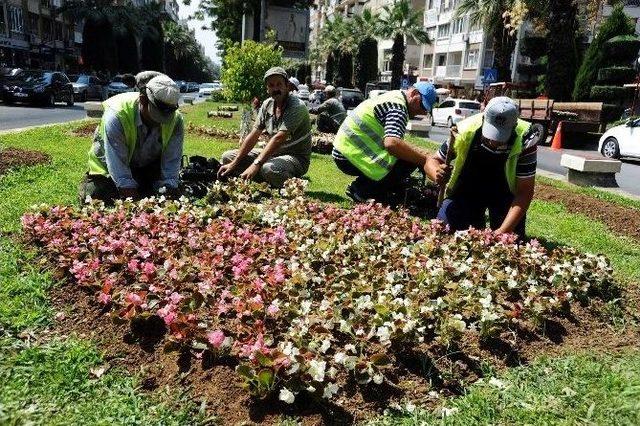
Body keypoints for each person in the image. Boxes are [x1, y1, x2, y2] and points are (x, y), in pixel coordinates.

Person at [424, 96, 539, 239]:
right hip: (467, 189)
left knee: (512, 240)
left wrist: (502, 231)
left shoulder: (526, 138)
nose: (493, 141)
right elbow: (432, 161)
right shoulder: (464, 130)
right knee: (445, 230)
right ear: (484, 119)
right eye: (490, 134)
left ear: (514, 126)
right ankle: (475, 218)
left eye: (500, 137)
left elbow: (524, 192)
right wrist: (437, 172)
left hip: (504, 195)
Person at [79, 72, 184, 203]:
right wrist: (133, 201)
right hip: (109, 168)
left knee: (168, 194)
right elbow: (117, 164)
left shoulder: (176, 120)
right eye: (156, 115)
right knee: (96, 196)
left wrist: (168, 191)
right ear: (143, 100)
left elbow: (171, 162)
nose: (160, 122)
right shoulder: (117, 115)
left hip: (145, 166)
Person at [332, 82, 437, 203]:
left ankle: (368, 188)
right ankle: (362, 191)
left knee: (408, 155)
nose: (422, 112)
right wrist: (425, 159)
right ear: (414, 93)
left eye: (426, 110)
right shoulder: (398, 108)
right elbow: (392, 144)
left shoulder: (395, 96)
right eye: (422, 106)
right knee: (408, 161)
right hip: (348, 155)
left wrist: (422, 153)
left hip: (344, 150)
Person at [218, 67, 311, 188]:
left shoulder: (297, 106)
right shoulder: (267, 104)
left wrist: (256, 164)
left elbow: (279, 138)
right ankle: (264, 177)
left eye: (279, 84)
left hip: (295, 158)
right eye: (271, 85)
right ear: (267, 89)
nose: (275, 89)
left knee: (269, 169)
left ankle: (292, 182)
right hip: (273, 155)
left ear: (287, 85)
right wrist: (234, 163)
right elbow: (254, 135)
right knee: (228, 157)